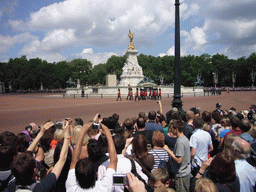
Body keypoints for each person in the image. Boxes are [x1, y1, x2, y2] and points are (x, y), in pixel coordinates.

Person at [9, 121, 70, 191]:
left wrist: (41, 133)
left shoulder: (11, 185)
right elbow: (62, 159)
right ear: (35, 170)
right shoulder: (41, 188)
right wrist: (66, 134)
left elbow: (25, 154)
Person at [65, 122, 117, 191]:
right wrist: (108, 133)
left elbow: (74, 161)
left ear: (76, 176)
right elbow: (113, 160)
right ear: (96, 174)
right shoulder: (103, 188)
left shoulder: (71, 188)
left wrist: (82, 133)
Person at [163, 120, 190, 192]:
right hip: (185, 171)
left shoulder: (180, 142)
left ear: (176, 129)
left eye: (172, 129)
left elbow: (179, 160)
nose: (171, 131)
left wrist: (168, 150)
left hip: (181, 174)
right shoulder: (185, 139)